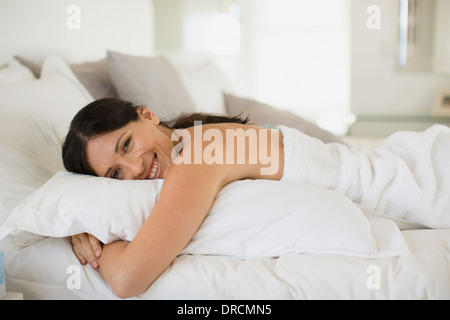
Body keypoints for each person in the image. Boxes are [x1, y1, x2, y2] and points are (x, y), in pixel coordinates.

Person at [63, 98, 450, 298]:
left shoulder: (198, 155)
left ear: (146, 115)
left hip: (421, 181)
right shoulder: (192, 140)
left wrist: (100, 243)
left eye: (127, 145)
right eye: (115, 174)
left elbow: (129, 279)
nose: (133, 169)